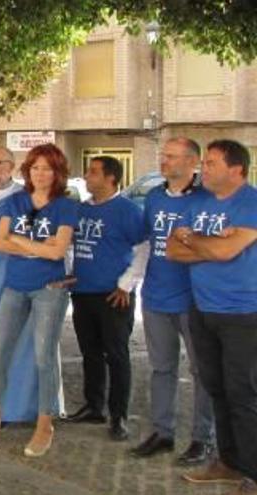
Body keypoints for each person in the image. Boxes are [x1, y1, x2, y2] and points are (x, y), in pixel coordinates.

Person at [0, 144, 77, 458]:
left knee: (43, 358)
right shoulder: (16, 201)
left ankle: (44, 423)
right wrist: (38, 244)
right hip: (15, 286)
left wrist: (21, 241)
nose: (41, 174)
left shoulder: (65, 206)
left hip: (50, 289)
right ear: (27, 171)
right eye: (36, 168)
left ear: (58, 173)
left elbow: (57, 252)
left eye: (47, 169)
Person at [168, 140, 257, 494]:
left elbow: (226, 252)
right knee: (217, 388)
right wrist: (206, 243)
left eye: (212, 163)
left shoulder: (251, 203)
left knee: (244, 392)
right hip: (202, 308)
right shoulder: (199, 202)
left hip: (243, 313)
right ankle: (230, 462)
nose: (203, 169)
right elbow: (172, 250)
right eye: (203, 163)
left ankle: (252, 469)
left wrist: (194, 241)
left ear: (237, 169)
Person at [130, 138, 215, 464]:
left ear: (192, 161)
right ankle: (163, 432)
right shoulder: (153, 196)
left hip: (195, 300)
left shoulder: (207, 200)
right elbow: (146, 243)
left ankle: (202, 438)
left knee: (202, 372)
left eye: (171, 156)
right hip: (155, 297)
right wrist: (131, 282)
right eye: (163, 155)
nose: (163, 160)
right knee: (161, 368)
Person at [67, 156, 146, 442]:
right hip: (83, 292)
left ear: (111, 178)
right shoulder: (81, 209)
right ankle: (94, 406)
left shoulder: (127, 210)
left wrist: (126, 285)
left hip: (114, 296)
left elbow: (143, 249)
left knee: (117, 355)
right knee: (90, 353)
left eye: (93, 172)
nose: (86, 176)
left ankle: (118, 415)